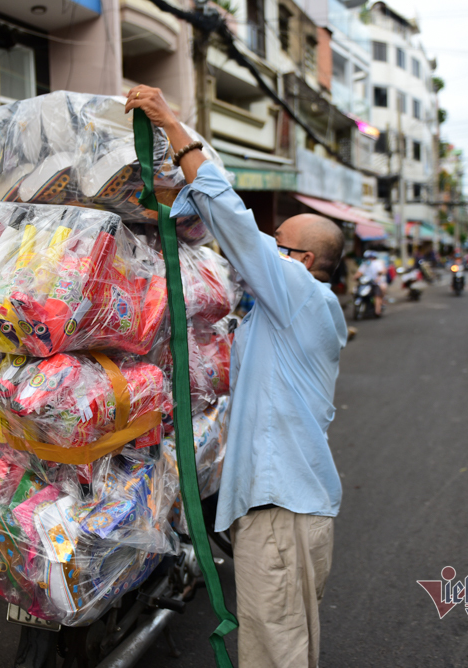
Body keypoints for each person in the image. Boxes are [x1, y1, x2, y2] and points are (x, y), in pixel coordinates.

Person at [127, 86, 347, 668]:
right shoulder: (279, 313)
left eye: (278, 246)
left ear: (300, 262)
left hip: (283, 514)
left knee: (275, 654)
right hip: (283, 509)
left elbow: (236, 227)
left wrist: (171, 125)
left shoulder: (302, 296)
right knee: (287, 646)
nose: (266, 251)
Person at [354, 250, 386, 316]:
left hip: (374, 283)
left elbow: (382, 271)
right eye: (368, 258)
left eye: (371, 258)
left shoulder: (377, 263)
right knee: (355, 292)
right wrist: (355, 277)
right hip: (365, 283)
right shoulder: (364, 264)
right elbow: (359, 273)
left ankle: (377, 311)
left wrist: (378, 277)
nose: (370, 259)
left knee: (376, 295)